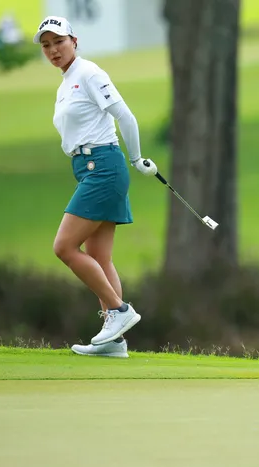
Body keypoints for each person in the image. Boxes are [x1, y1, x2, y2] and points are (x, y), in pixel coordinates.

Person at [33, 16, 158, 358]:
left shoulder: (88, 73)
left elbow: (125, 116)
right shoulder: (66, 82)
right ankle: (114, 342)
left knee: (64, 247)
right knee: (100, 258)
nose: (53, 50)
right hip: (90, 169)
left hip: (103, 168)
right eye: (46, 45)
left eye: (59, 42)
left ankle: (119, 311)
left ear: (74, 41)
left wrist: (136, 158)